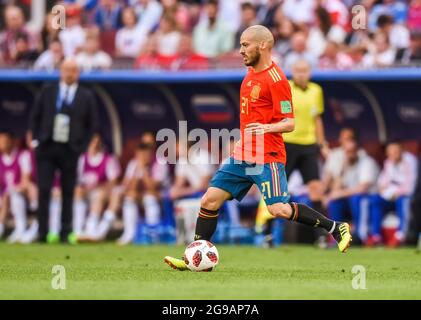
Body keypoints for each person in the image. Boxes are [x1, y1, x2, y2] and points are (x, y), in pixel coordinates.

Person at [164, 25, 352, 271]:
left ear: (262, 45)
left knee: (279, 209)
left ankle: (335, 227)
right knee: (209, 200)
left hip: (268, 156)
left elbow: (290, 122)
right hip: (243, 154)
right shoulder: (250, 73)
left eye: (245, 45)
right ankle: (195, 257)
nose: (240, 50)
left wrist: (265, 128)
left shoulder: (277, 80)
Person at [28, 58, 99, 243]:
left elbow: (92, 124)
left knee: (68, 191)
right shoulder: (47, 91)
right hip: (47, 147)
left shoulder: (86, 96)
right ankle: (42, 232)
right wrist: (36, 140)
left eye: (73, 70)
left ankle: (65, 232)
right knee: (44, 190)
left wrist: (82, 146)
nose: (69, 73)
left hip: (70, 149)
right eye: (66, 69)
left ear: (78, 73)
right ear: (60, 71)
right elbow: (35, 116)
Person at [281, 59, 329, 247]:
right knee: (278, 191)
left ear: (310, 72)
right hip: (288, 143)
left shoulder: (316, 90)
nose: (301, 74)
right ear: (292, 71)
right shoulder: (286, 88)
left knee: (316, 189)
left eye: (304, 70)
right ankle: (267, 232)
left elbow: (317, 119)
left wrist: (322, 143)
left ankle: (321, 236)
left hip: (309, 145)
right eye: (298, 70)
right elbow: (283, 116)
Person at [326, 139, 379, 244]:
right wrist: (343, 169)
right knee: (335, 203)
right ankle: (337, 237)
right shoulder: (345, 164)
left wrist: (338, 194)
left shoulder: (366, 162)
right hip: (350, 200)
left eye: (352, 151)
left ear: (357, 151)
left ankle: (360, 237)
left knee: (356, 199)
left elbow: (362, 188)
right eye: (347, 152)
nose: (349, 154)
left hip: (369, 199)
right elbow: (336, 189)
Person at [368, 142, 418, 247]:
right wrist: (386, 190)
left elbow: (410, 188)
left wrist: (395, 192)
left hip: (407, 198)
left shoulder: (411, 161)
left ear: (402, 151)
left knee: (403, 200)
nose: (393, 154)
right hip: (390, 198)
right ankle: (376, 236)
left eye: (396, 151)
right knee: (375, 199)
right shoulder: (389, 163)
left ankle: (401, 236)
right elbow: (381, 184)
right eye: (390, 152)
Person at [73, 134, 121, 240]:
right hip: (87, 193)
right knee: (77, 191)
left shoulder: (108, 159)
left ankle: (95, 230)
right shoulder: (82, 159)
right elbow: (78, 181)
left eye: (97, 142)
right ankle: (78, 229)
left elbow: (113, 182)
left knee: (100, 195)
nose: (94, 145)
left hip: (102, 193)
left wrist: (98, 187)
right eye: (92, 142)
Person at [0, 130, 33, 243]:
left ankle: (20, 229)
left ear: (12, 141)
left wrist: (10, 191)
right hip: (4, 196)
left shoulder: (22, 156)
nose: (2, 144)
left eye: (4, 141)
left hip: (22, 194)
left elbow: (25, 180)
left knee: (14, 195)